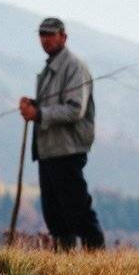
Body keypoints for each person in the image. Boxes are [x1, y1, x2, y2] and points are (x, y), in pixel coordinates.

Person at [18, 17, 105, 251]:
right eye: (42, 34)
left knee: (77, 209)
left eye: (50, 34)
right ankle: (64, 259)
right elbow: (56, 104)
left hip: (67, 149)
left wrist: (38, 113)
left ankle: (96, 257)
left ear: (63, 37)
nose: (45, 39)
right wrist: (34, 105)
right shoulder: (51, 67)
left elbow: (75, 109)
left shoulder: (75, 67)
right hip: (49, 149)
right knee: (54, 213)